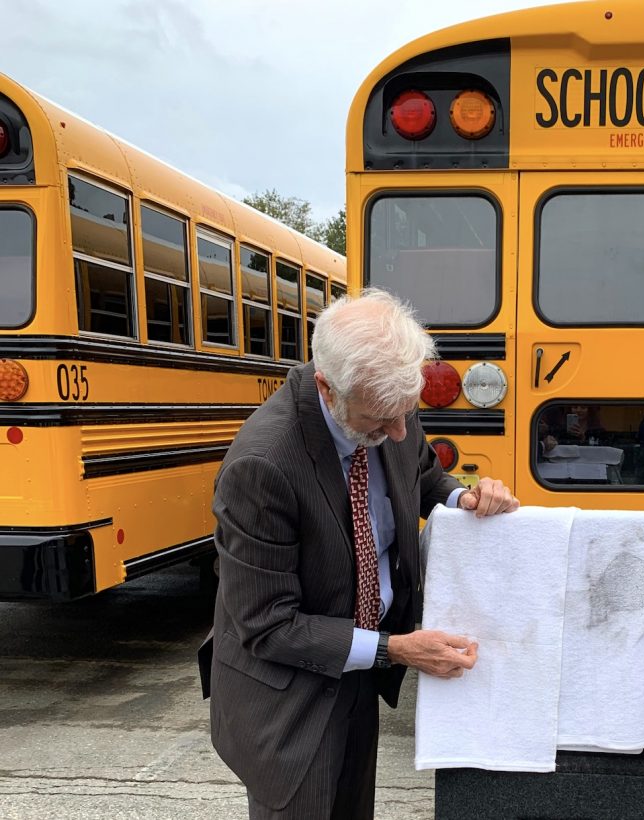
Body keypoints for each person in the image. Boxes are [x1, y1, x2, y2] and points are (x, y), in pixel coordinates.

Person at [206, 288, 519, 819]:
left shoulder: (386, 399)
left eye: (407, 413)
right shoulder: (262, 466)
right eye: (380, 421)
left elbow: (419, 470)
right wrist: (395, 648)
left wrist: (461, 496)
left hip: (358, 670)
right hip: (289, 696)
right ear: (327, 387)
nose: (398, 431)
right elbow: (268, 625)